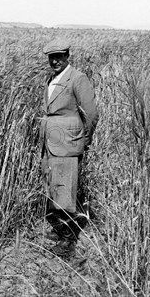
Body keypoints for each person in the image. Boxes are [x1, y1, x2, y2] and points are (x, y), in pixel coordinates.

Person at [39, 38, 99, 257]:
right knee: (54, 187)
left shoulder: (78, 79)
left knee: (65, 189)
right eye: (51, 57)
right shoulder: (52, 79)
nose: (54, 61)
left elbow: (91, 113)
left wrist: (84, 140)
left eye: (59, 57)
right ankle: (61, 229)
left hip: (68, 142)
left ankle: (69, 240)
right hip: (51, 142)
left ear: (67, 56)